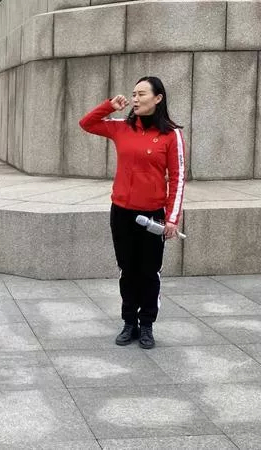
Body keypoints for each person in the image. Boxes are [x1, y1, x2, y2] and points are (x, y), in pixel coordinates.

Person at [79, 76, 186, 349]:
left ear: (158, 98)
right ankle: (129, 322)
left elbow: (178, 177)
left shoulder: (171, 135)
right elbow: (86, 123)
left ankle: (147, 324)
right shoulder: (122, 128)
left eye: (141, 94)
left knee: (149, 272)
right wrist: (109, 106)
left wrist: (172, 218)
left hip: (152, 215)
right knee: (127, 270)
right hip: (122, 213)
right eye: (134, 94)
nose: (135, 99)